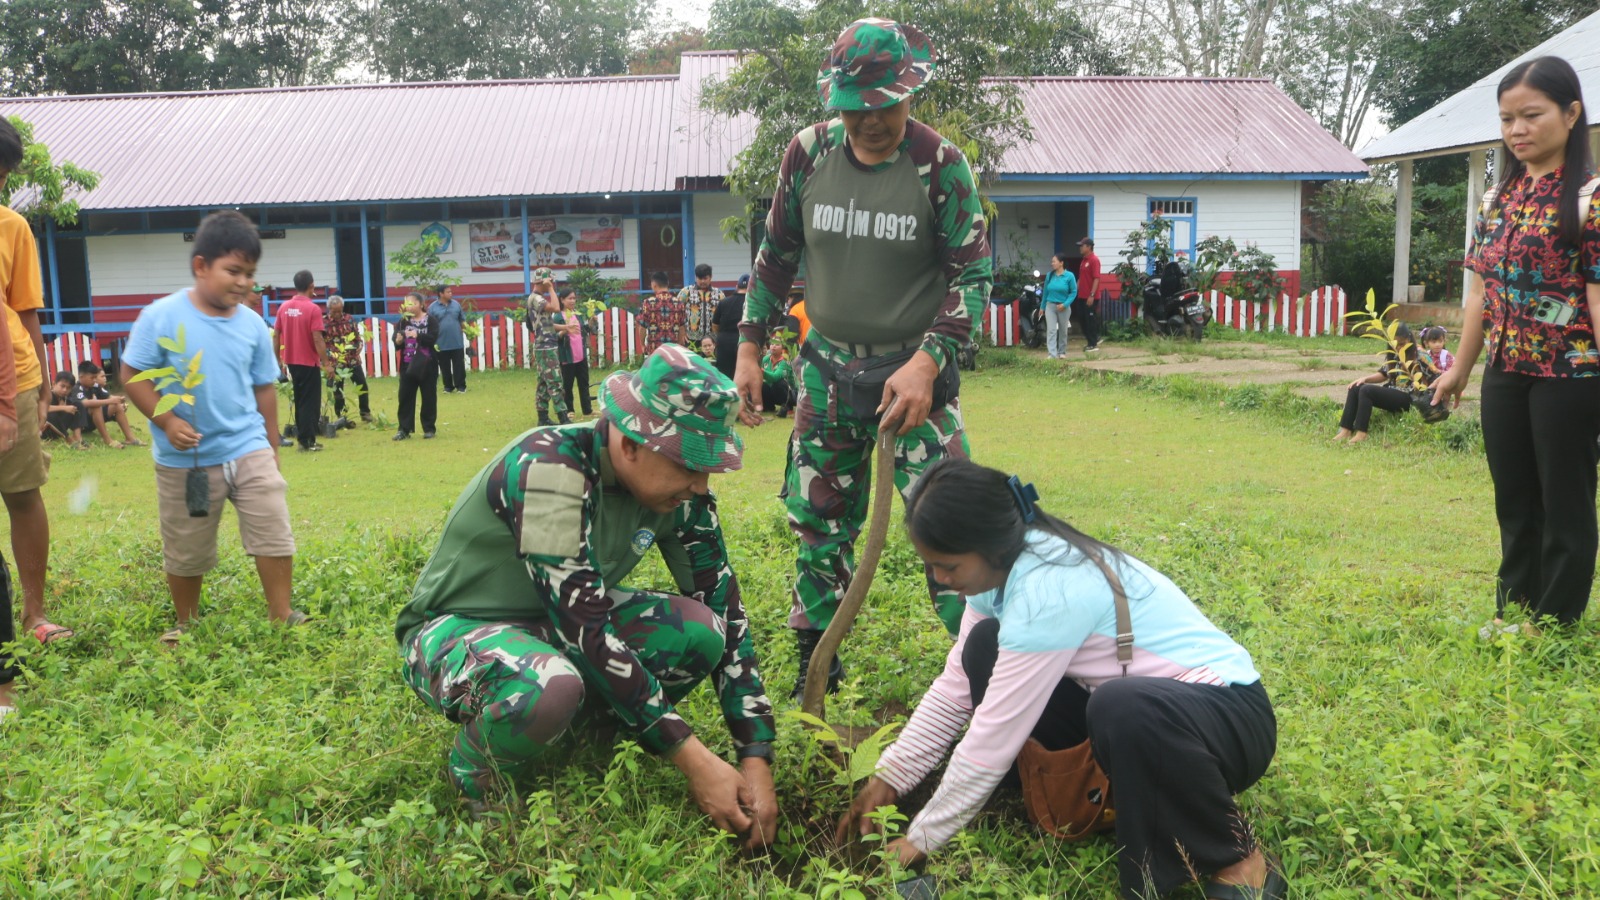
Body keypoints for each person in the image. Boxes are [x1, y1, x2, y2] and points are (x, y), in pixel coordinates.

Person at [838, 458, 1283, 900]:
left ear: (990, 546)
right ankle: (1081, 797)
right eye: (930, 566)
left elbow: (992, 735)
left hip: (1226, 720)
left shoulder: (1048, 589)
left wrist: (922, 837)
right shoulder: (998, 574)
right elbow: (954, 691)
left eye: (948, 566)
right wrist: (891, 777)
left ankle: (1240, 861)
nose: (939, 579)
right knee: (982, 648)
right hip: (1143, 717)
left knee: (1120, 705)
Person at [394, 345, 778, 845]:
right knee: (549, 683)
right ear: (632, 443)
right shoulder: (549, 471)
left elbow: (725, 607)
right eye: (688, 464)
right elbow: (585, 629)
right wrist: (695, 760)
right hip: (456, 629)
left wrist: (755, 754)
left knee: (702, 631)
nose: (700, 486)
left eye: (709, 468)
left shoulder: (683, 500)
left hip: (555, 626)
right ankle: (478, 774)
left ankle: (582, 741)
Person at [734, 17, 993, 693]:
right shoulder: (809, 154)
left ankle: (984, 671)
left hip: (912, 381)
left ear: (909, 93)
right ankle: (815, 667)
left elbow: (974, 277)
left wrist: (930, 360)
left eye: (883, 105)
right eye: (854, 107)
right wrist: (750, 349)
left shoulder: (941, 166)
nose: (869, 122)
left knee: (951, 524)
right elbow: (774, 258)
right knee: (817, 524)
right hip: (824, 376)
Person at [1430, 56, 1600, 637]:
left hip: (1570, 373)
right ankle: (1516, 608)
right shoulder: (1497, 198)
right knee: (1516, 499)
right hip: (1506, 371)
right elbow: (1480, 293)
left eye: (1531, 115)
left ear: (1571, 113)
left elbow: (1599, 301)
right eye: (1507, 119)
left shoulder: (1590, 198)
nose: (1517, 130)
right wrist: (1459, 369)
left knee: (1565, 502)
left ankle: (1554, 623)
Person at [121, 210, 308, 645]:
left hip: (247, 446)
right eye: (233, 271)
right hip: (186, 458)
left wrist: (272, 443)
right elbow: (133, 373)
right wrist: (166, 420)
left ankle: (281, 614)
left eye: (251, 274)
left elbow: (264, 388)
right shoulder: (162, 317)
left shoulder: (252, 327)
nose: (243, 282)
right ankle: (186, 623)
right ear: (200, 266)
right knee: (187, 547)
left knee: (273, 525)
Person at [0, 117, 68, 649]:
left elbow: (26, 311)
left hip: (14, 380)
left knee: (23, 494)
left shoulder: (12, 228)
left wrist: (44, 383)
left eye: (2, 176)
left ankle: (35, 613)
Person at [1332, 323, 1437, 444]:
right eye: (1394, 344)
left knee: (1366, 391)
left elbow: (1435, 376)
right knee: (1356, 387)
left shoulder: (1420, 354)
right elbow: (1384, 374)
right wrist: (1364, 379)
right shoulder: (1393, 352)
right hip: (1393, 392)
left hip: (1411, 397)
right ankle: (1346, 430)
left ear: (1409, 339)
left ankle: (1361, 433)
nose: (1397, 347)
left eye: (1401, 343)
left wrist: (1424, 390)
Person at [274, 270, 333, 452]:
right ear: (311, 286)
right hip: (308, 361)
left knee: (300, 400)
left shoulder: (284, 307)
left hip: (292, 361)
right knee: (310, 402)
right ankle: (307, 441)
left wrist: (277, 360)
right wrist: (326, 362)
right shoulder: (313, 309)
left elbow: (276, 335)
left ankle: (303, 437)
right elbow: (317, 338)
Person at [527, 268, 571, 427]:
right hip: (545, 347)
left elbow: (548, 324)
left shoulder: (537, 299)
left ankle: (543, 417)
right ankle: (563, 417)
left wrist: (565, 327)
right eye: (550, 281)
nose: (552, 283)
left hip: (545, 344)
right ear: (543, 281)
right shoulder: (536, 298)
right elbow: (556, 308)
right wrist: (551, 289)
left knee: (544, 383)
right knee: (555, 381)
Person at [392, 293, 438, 441]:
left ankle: (429, 428)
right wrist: (398, 340)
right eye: (407, 304)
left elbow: (433, 339)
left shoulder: (431, 320)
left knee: (429, 397)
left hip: (426, 364)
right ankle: (404, 429)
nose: (409, 306)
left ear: (421, 304)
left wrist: (417, 335)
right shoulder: (403, 321)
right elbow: (397, 339)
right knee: (405, 397)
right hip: (408, 364)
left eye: (412, 303)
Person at [323, 295, 372, 424]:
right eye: (334, 311)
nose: (338, 314)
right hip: (335, 361)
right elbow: (320, 343)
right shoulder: (324, 322)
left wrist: (359, 346)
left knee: (362, 384)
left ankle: (365, 412)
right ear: (329, 309)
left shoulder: (349, 319)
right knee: (338, 390)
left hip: (352, 358)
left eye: (340, 310)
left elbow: (357, 337)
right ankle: (342, 416)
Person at [554, 288, 593, 418]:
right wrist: (565, 330)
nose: (572, 301)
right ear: (562, 300)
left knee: (584, 383)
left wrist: (592, 321)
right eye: (569, 298)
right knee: (567, 385)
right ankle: (569, 410)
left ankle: (587, 410)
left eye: (574, 298)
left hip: (580, 355)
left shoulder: (578, 314)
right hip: (567, 357)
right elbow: (555, 337)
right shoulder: (558, 316)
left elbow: (585, 330)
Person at [636, 271, 686, 357]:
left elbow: (642, 327)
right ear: (668, 283)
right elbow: (682, 328)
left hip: (654, 350)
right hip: (672, 350)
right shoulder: (679, 303)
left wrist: (642, 345)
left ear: (654, 285)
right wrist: (679, 345)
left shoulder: (647, 303)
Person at [431, 286, 468, 394]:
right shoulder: (433, 307)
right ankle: (448, 387)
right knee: (444, 366)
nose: (451, 293)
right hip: (441, 342)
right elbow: (430, 324)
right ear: (441, 293)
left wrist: (468, 332)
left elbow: (462, 320)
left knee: (459, 365)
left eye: (451, 291)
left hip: (457, 341)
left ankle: (461, 386)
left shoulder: (456, 305)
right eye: (448, 292)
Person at [711, 274, 747, 379]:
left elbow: (714, 325)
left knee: (724, 376)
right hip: (744, 342)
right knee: (743, 375)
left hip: (724, 342)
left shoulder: (724, 302)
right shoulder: (753, 304)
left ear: (736, 287)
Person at [1041, 253, 1077, 359]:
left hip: (1064, 307)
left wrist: (1065, 304)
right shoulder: (1050, 275)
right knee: (1051, 330)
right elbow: (1045, 292)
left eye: (1054, 261)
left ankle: (1062, 351)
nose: (1052, 263)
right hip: (1050, 306)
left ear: (1061, 263)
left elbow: (1073, 292)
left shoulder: (1069, 276)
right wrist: (1042, 307)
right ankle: (1052, 354)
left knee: (1063, 330)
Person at [678, 263, 723, 345]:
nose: (702, 281)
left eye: (705, 278)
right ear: (696, 277)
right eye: (700, 278)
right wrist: (682, 333)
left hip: (713, 340)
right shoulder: (686, 292)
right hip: (691, 339)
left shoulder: (719, 294)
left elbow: (724, 315)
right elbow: (678, 313)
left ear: (711, 277)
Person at [44, 371, 86, 449]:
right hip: (45, 430)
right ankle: (69, 439)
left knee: (77, 406)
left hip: (59, 428)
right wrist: (63, 408)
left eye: (68, 388)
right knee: (51, 414)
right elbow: (42, 408)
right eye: (62, 386)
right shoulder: (48, 396)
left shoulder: (65, 398)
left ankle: (78, 438)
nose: (65, 390)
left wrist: (67, 408)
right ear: (54, 384)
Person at [1074, 236, 1103, 352]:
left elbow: (1096, 278)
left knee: (1089, 319)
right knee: (1082, 318)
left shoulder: (1094, 260)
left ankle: (1093, 343)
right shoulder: (1083, 261)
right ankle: (1094, 338)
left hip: (1091, 297)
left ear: (1089, 247)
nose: (1080, 248)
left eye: (1082, 246)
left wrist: (1091, 295)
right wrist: (1074, 289)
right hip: (1081, 296)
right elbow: (1081, 278)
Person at [760, 339, 794, 417]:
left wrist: (761, 370)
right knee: (763, 385)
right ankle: (768, 407)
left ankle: (787, 407)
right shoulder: (766, 359)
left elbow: (775, 377)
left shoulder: (785, 361)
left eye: (777, 344)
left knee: (779, 383)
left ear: (783, 348)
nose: (773, 346)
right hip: (773, 391)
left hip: (789, 394)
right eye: (772, 344)